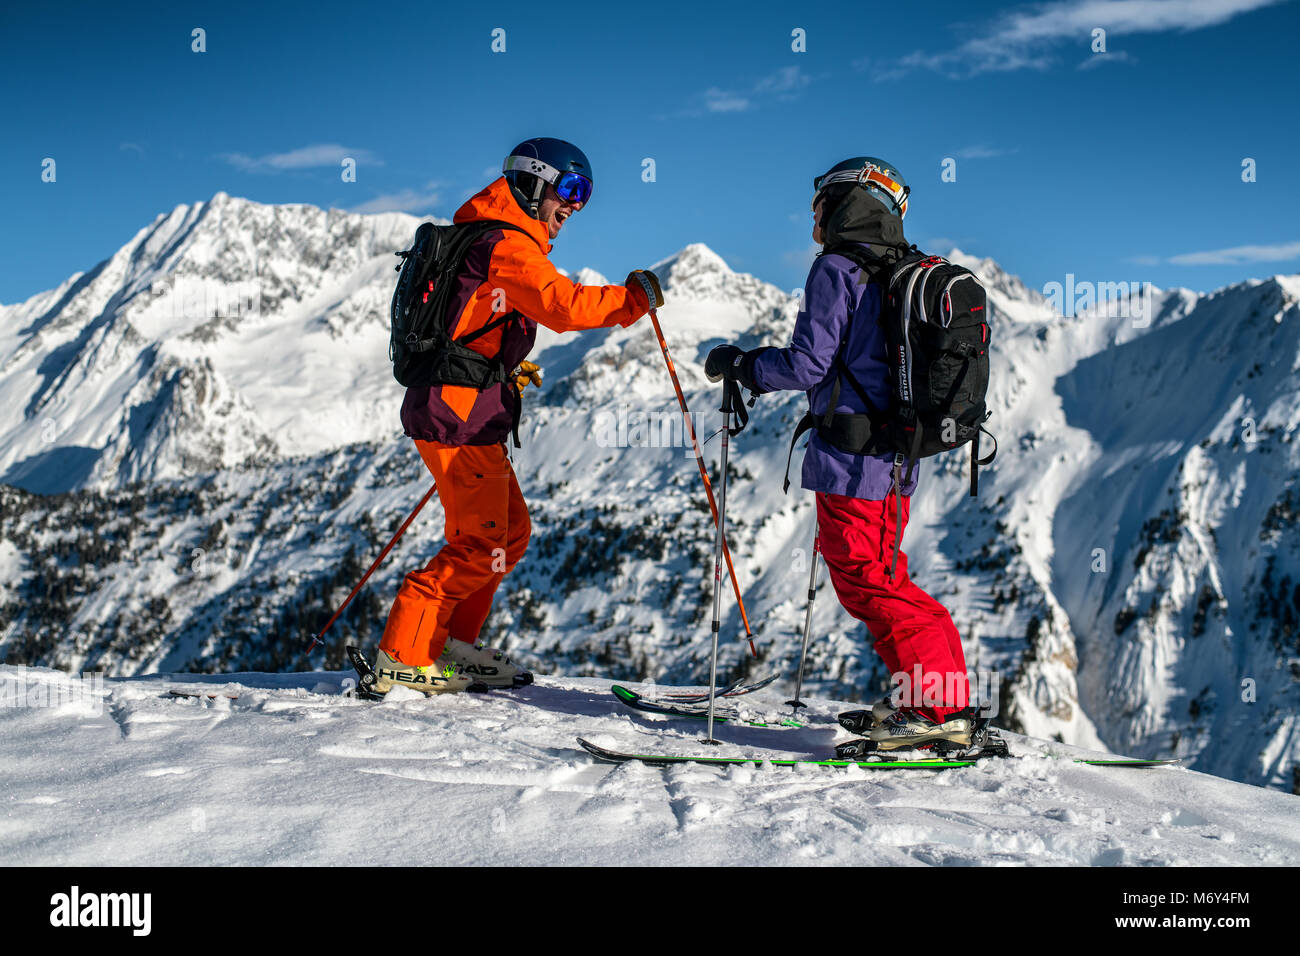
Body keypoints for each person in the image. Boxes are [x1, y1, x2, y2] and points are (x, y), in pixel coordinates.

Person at [371, 137, 664, 696]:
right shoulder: (505, 244)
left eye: (584, 195)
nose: (575, 205)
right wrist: (631, 301)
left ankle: (449, 646)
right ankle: (404, 654)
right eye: (570, 190)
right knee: (480, 544)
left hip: (467, 408)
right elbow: (565, 306)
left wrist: (500, 369)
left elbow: (472, 325)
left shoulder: (486, 240)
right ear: (533, 184)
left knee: (509, 534)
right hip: (457, 416)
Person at [705, 156, 972, 750]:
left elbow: (808, 364)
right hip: (895, 456)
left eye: (819, 205)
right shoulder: (902, 270)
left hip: (856, 463)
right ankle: (935, 702)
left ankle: (936, 714)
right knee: (880, 577)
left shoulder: (838, 269)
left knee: (870, 583)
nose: (813, 220)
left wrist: (743, 365)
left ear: (848, 204)